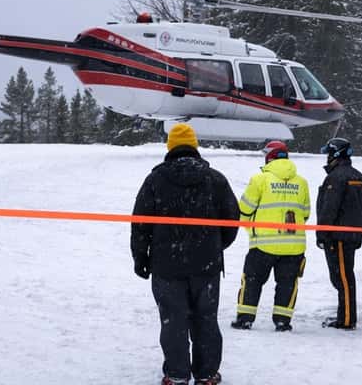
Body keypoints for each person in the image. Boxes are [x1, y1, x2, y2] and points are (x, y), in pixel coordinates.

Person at [132, 123, 240, 385]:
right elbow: (232, 219)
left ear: (170, 146)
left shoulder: (155, 180)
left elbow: (140, 223)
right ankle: (207, 374)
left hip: (167, 267)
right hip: (206, 266)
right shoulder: (215, 179)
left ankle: (177, 374)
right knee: (206, 320)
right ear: (194, 146)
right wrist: (215, 247)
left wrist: (141, 258)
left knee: (174, 320)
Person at [230, 140, 311, 332]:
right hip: (294, 246)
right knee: (288, 284)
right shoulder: (302, 182)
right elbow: (305, 213)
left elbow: (244, 210)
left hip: (263, 245)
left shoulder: (259, 180)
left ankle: (245, 319)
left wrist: (253, 230)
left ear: (269, 157)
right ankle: (282, 321)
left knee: (252, 281)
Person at [315, 136, 362, 329]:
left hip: (338, 236)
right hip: (350, 235)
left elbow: (329, 208)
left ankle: (347, 319)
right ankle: (345, 314)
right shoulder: (359, 176)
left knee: (343, 278)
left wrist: (322, 233)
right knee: (343, 276)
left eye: (329, 154)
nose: (327, 158)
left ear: (336, 154)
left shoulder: (336, 177)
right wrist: (360, 231)